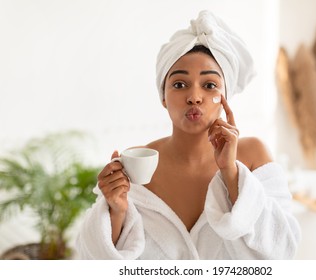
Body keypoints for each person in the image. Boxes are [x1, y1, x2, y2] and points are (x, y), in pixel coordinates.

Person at [76, 10, 301, 259]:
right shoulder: (137, 165)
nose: (194, 96)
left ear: (226, 96)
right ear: (163, 96)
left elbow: (284, 248)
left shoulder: (253, 155)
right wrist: (116, 211)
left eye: (210, 85)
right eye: (179, 84)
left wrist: (232, 173)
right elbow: (92, 259)